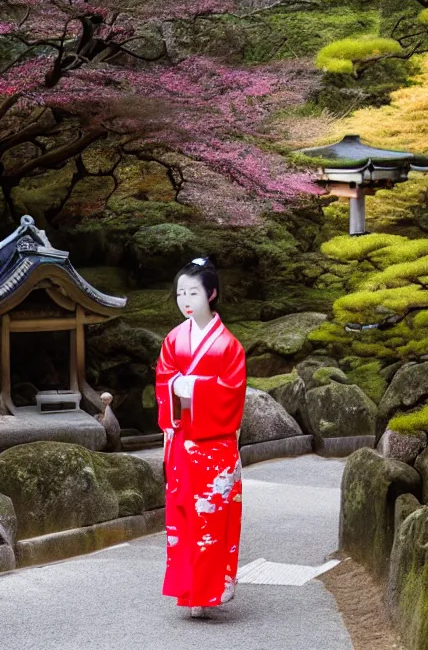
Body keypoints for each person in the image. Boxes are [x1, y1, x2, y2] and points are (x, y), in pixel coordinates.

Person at [155, 257, 246, 619]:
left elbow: (233, 391)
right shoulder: (174, 339)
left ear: (211, 293)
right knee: (183, 517)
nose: (185, 299)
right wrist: (177, 387)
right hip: (183, 440)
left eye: (193, 291)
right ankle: (188, 590)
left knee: (212, 518)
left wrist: (190, 386)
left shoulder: (229, 346)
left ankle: (209, 592)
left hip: (215, 444)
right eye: (180, 292)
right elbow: (164, 380)